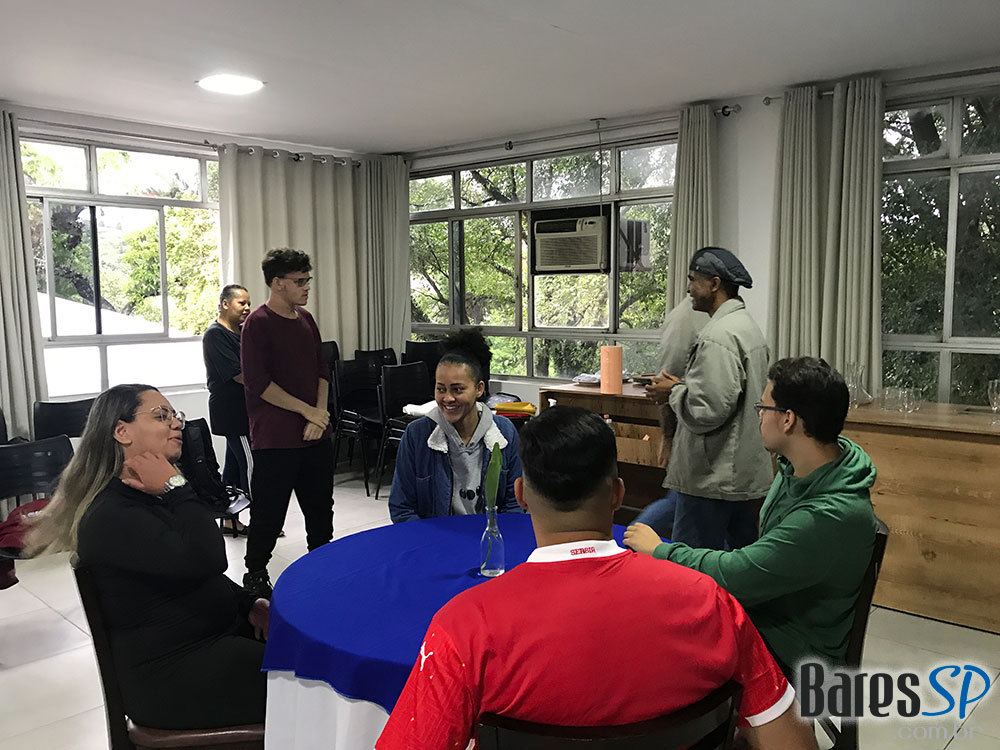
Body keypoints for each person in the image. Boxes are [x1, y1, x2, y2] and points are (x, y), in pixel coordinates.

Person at [377, 406, 816, 750]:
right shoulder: (710, 601)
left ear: (521, 495)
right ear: (618, 494)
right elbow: (793, 742)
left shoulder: (464, 627)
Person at [26, 384, 268, 730]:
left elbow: (196, 572)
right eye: (161, 416)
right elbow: (210, 557)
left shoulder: (146, 495)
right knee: (315, 675)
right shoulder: (110, 514)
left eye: (175, 415)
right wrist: (177, 487)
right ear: (121, 432)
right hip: (174, 675)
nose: (176, 423)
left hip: (207, 643)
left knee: (308, 641)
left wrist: (248, 603)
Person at [625, 358, 878, 671]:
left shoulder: (828, 516)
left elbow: (738, 574)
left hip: (795, 648)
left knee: (660, 628)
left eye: (764, 407)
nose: (759, 415)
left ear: (788, 420)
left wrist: (661, 550)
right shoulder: (805, 467)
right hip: (770, 608)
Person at [638, 246, 772, 551]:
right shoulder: (746, 327)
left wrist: (672, 391)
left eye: (692, 280)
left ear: (714, 284)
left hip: (712, 478)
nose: (688, 289)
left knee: (691, 563)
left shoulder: (717, 337)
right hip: (743, 474)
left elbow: (707, 409)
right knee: (738, 562)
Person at [240, 248, 333, 598]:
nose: (307, 286)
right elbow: (258, 383)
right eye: (299, 281)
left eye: (308, 279)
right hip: (276, 438)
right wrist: (308, 412)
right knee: (269, 511)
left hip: (315, 432)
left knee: (320, 508)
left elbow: (322, 370)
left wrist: (319, 414)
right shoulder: (258, 323)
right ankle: (255, 574)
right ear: (277, 283)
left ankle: (322, 565)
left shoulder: (306, 319)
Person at [388, 328, 521, 522]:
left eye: (458, 389)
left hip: (490, 536)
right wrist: (432, 540)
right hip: (434, 538)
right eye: (440, 389)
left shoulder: (505, 432)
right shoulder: (417, 435)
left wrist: (495, 536)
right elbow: (402, 508)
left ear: (479, 389)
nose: (448, 398)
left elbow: (514, 504)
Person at [202, 283, 252, 535]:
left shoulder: (242, 332)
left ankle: (229, 519)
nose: (247, 308)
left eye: (248, 303)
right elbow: (239, 375)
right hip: (233, 412)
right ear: (225, 304)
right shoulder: (215, 335)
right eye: (241, 303)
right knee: (252, 464)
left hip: (245, 410)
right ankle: (263, 520)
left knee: (232, 468)